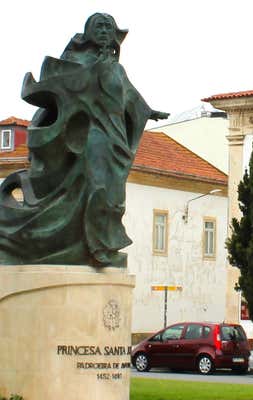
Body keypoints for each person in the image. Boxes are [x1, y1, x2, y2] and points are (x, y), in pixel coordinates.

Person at [0, 13, 168, 267]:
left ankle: (103, 244)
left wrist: (150, 112)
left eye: (108, 27)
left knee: (113, 194)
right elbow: (58, 88)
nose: (104, 31)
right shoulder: (76, 63)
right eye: (99, 26)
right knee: (95, 187)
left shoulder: (117, 70)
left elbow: (132, 99)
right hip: (90, 135)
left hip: (115, 139)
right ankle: (95, 246)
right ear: (88, 32)